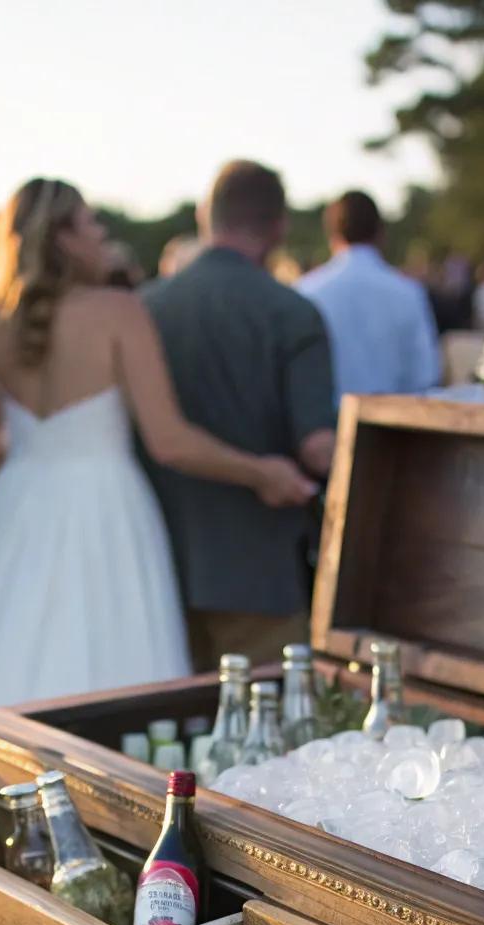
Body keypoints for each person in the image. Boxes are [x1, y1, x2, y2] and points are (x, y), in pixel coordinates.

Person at [0, 177, 315, 773]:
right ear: (64, 238)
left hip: (14, 509)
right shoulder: (120, 311)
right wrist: (261, 471)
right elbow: (169, 441)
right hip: (108, 509)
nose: (103, 235)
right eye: (92, 223)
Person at [141, 160, 336, 671]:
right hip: (261, 568)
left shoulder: (144, 309)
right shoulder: (292, 312)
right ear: (279, 227)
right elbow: (317, 446)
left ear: (207, 218)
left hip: (155, 561)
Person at [296, 191, 440, 406]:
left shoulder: (305, 292)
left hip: (326, 429)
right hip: (394, 429)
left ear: (332, 235)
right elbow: (425, 375)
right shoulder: (409, 293)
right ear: (380, 233)